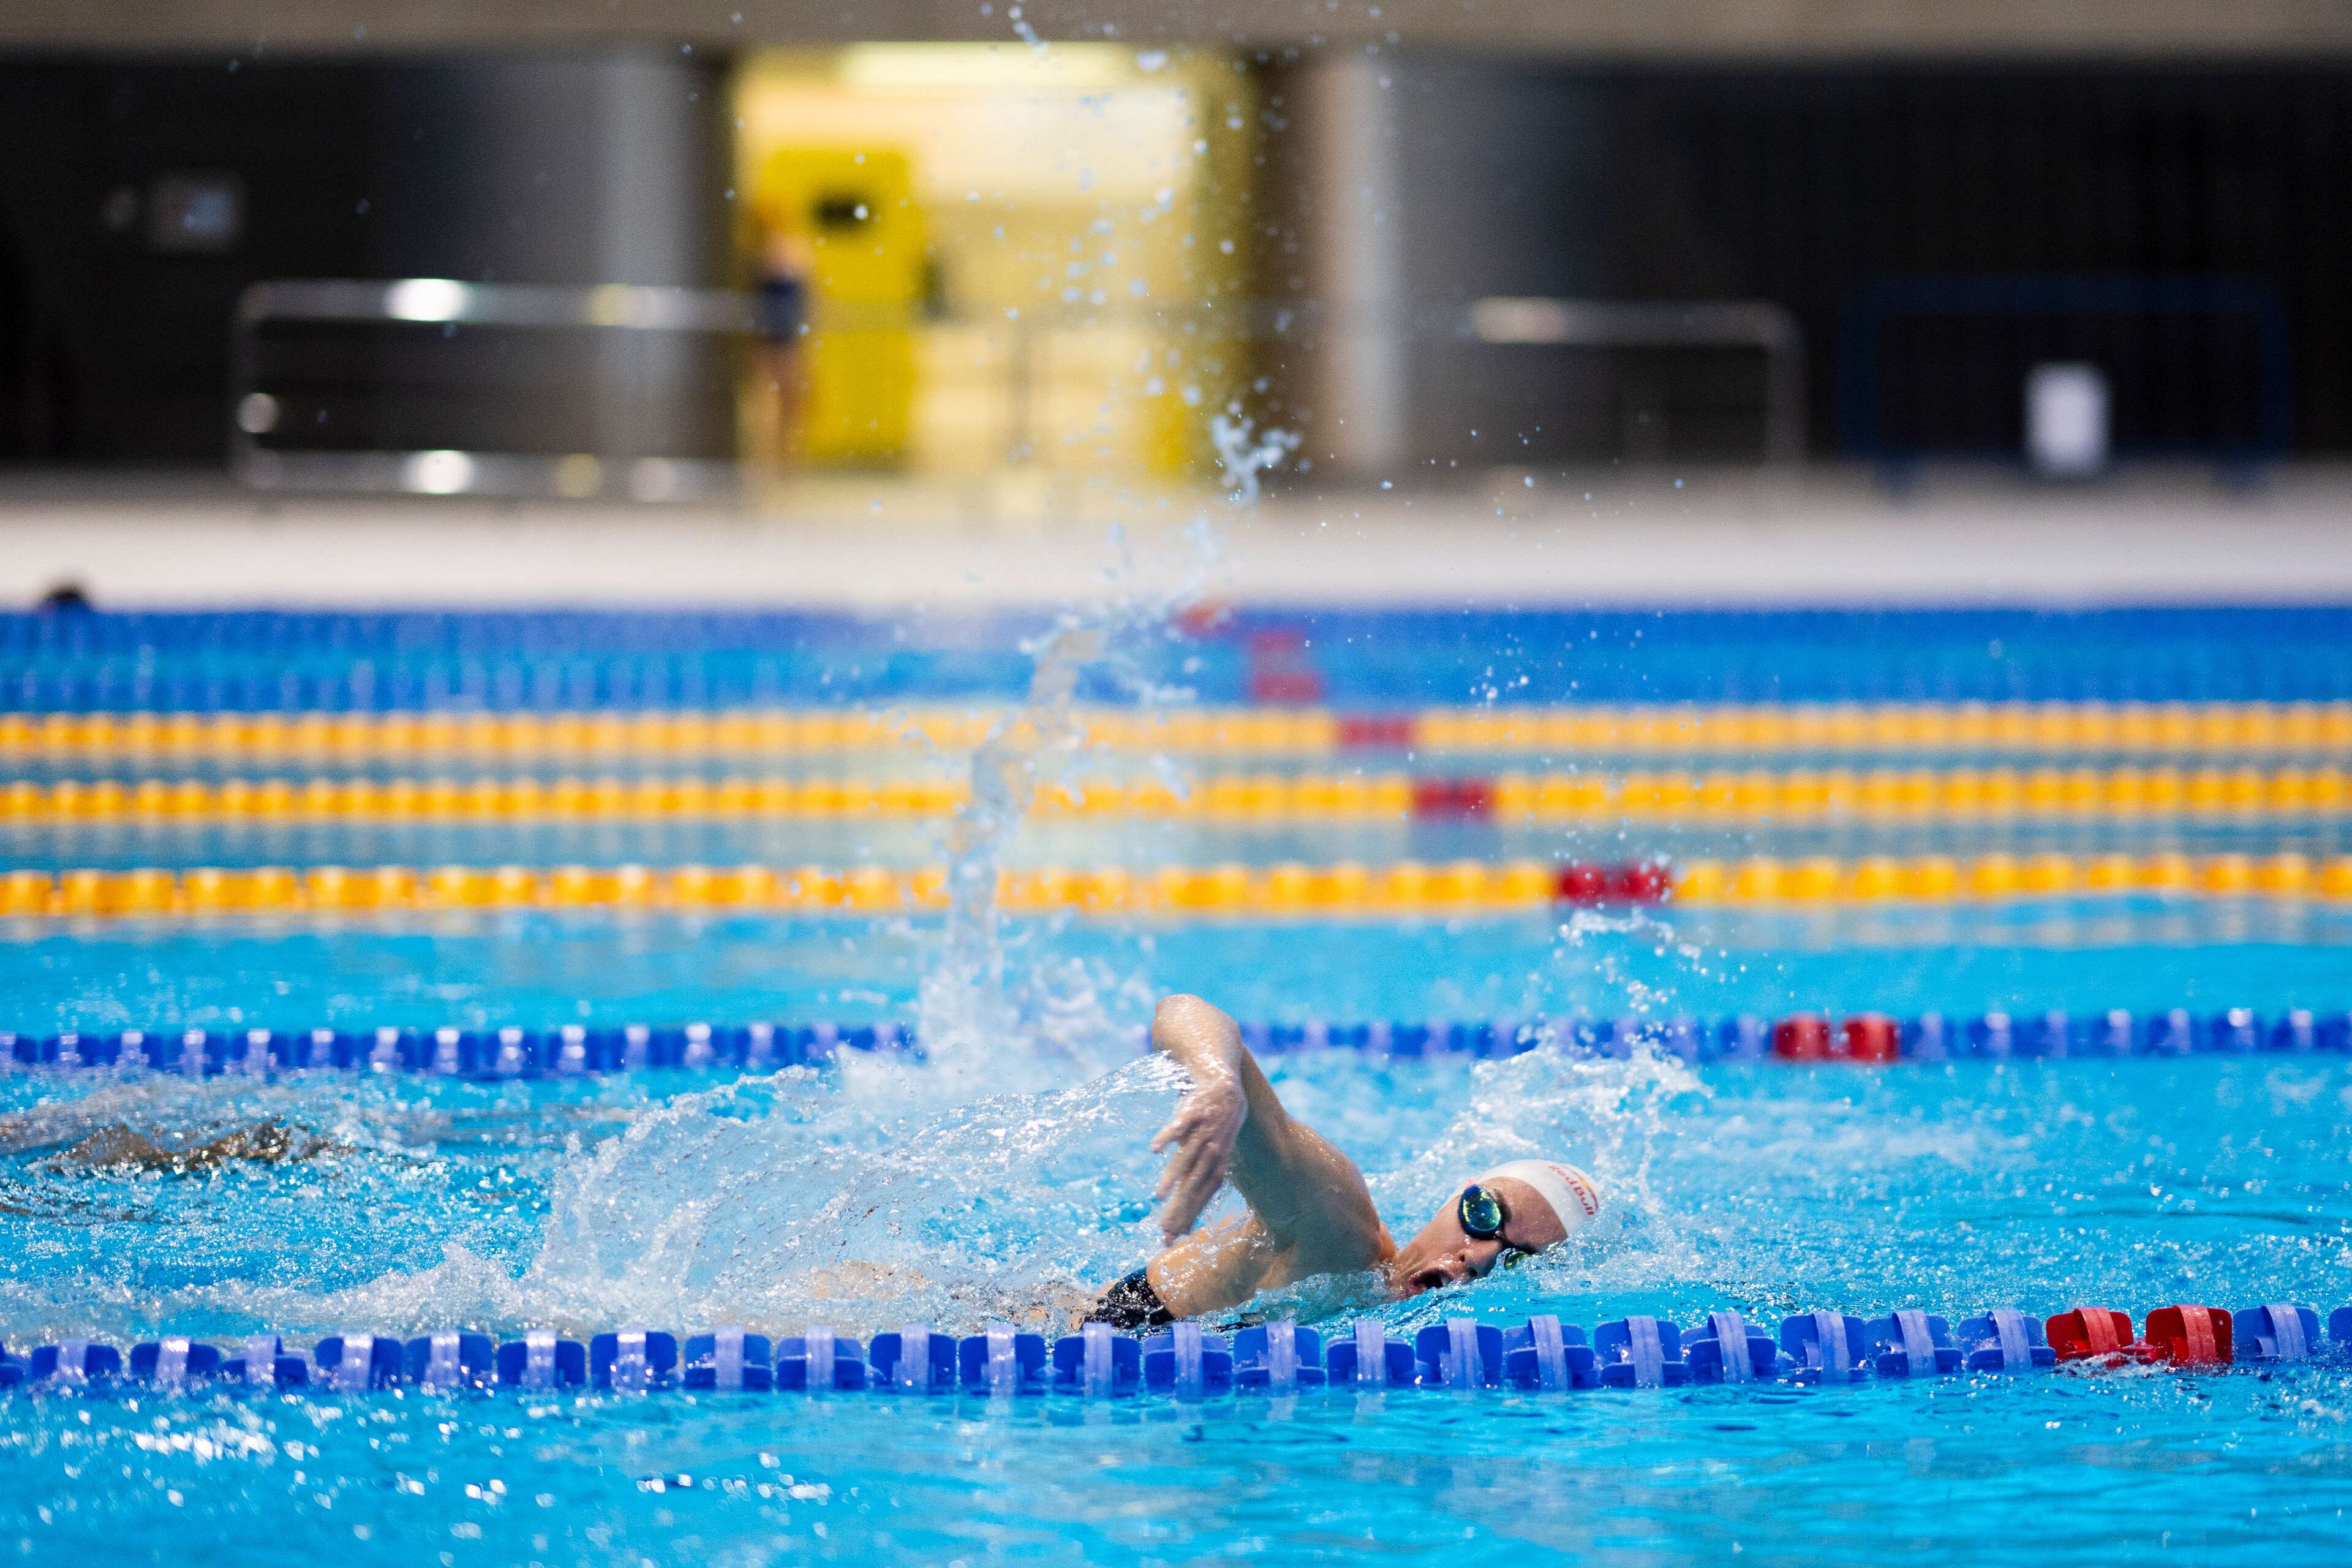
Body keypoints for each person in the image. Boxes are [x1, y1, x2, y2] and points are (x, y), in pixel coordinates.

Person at [1090, 993, 1604, 1329]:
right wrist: (1219, 1083)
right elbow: (1182, 1011)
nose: (1481, 1256)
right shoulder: (1337, 1231)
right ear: (1457, 1195)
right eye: (1485, 1214)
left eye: (1516, 1260)